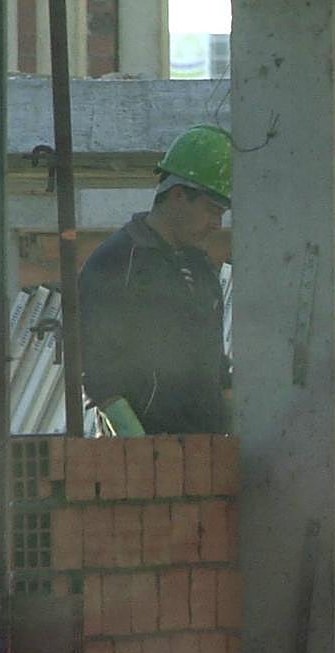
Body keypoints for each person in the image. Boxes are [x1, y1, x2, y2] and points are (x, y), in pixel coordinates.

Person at [78, 124, 233, 436]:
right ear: (177, 195)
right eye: (211, 211)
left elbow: (215, 365)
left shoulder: (200, 269)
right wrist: (140, 447)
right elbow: (99, 374)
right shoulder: (118, 262)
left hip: (206, 452)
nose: (217, 224)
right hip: (146, 459)